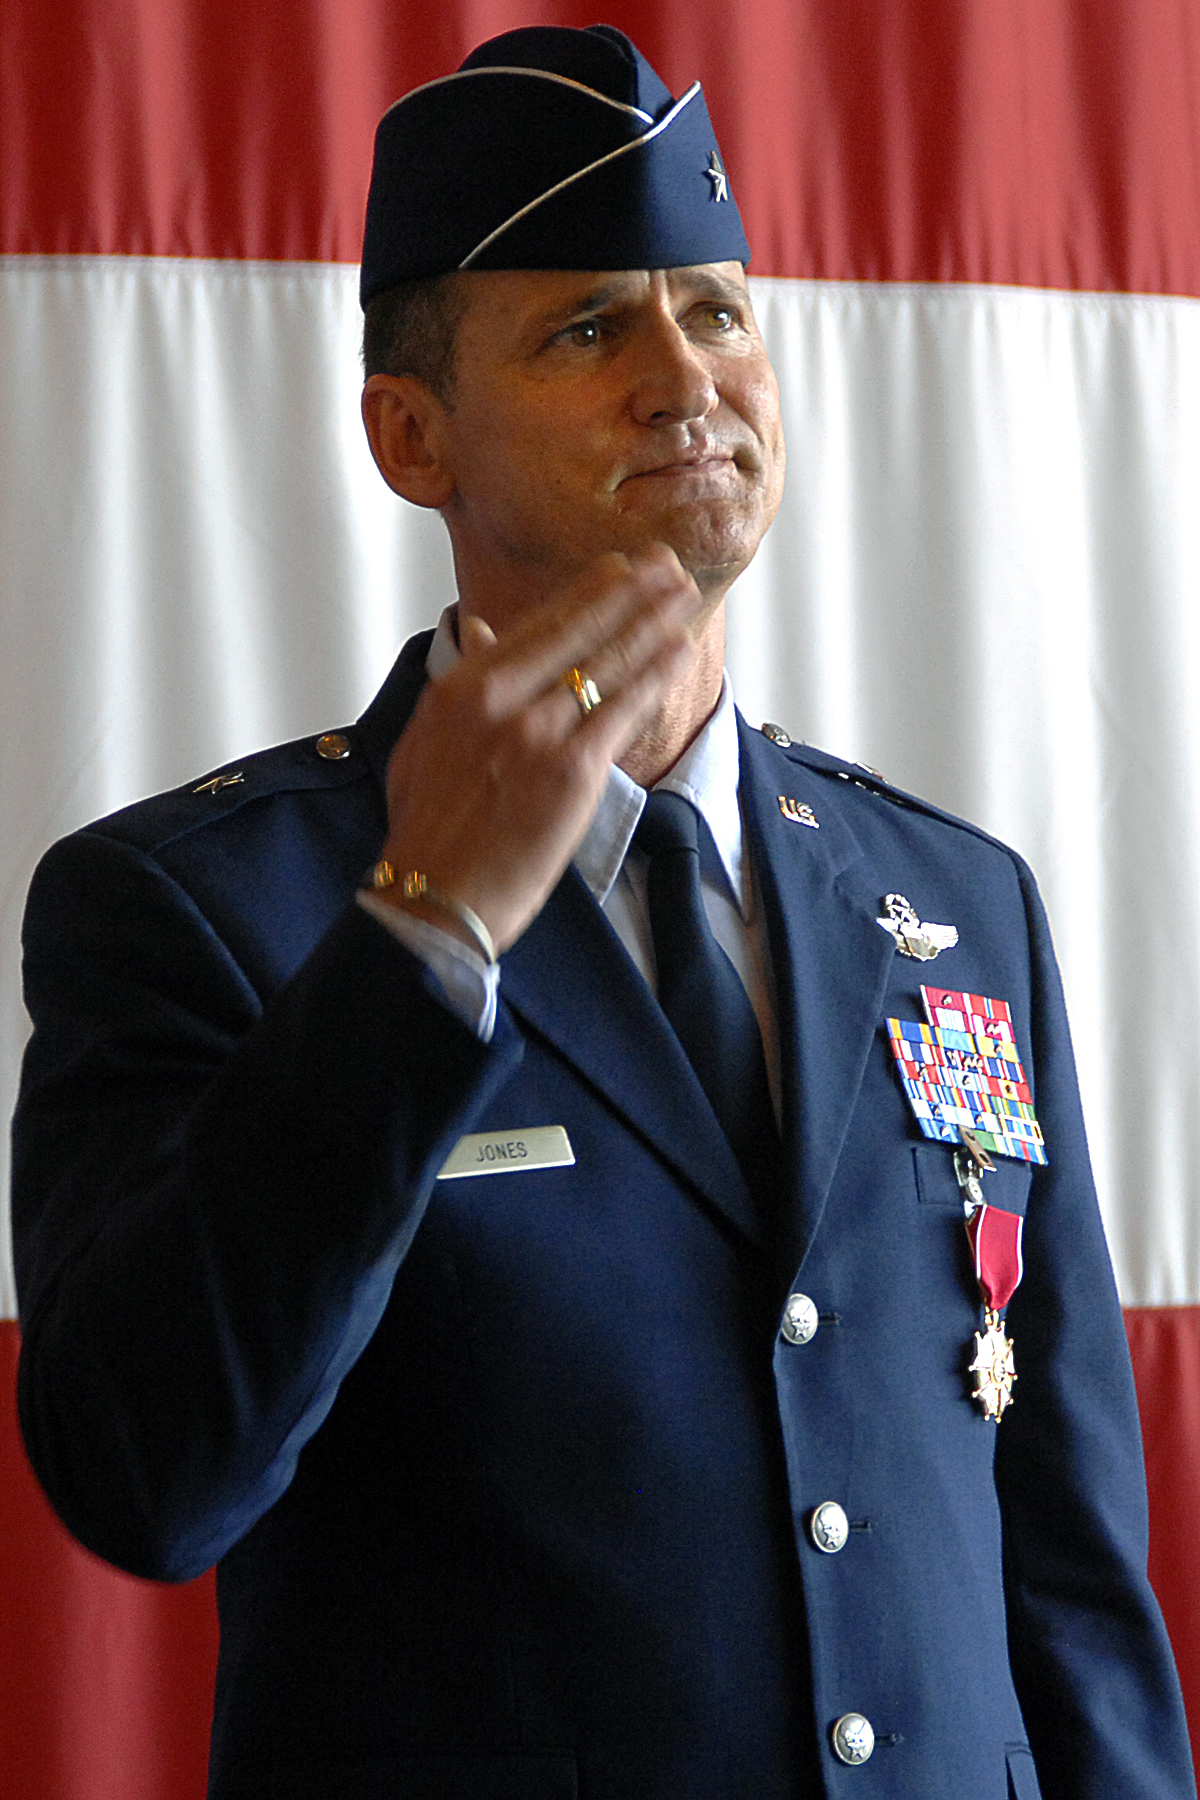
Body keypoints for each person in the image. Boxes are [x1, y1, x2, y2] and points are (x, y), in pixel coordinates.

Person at [11, 24, 1194, 1800]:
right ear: (413, 439)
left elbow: (1075, 1582)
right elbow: (152, 1473)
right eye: (588, 329)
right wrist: (423, 936)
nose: (685, 377)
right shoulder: (203, 909)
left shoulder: (954, 902)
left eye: (716, 311)